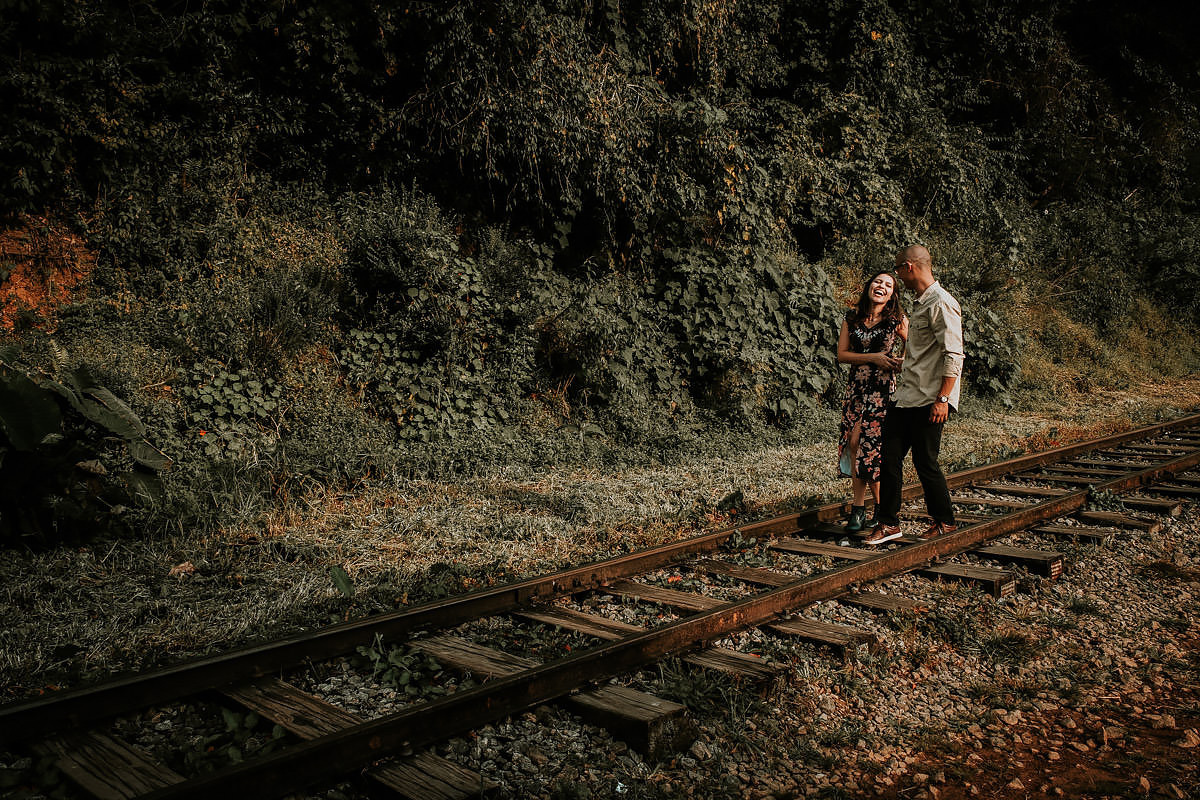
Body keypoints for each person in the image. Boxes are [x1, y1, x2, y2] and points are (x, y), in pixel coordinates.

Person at [864, 244, 964, 546]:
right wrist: (903, 363)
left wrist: (943, 399)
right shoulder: (921, 302)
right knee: (889, 458)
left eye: (897, 269)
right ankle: (889, 523)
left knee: (925, 461)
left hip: (931, 399)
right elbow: (925, 354)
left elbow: (953, 355)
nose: (897, 276)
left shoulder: (941, 303)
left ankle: (944, 521)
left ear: (909, 267)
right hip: (906, 396)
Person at [836, 271, 908, 532]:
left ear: (892, 295)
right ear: (869, 287)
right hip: (856, 391)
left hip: (882, 392)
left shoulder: (896, 320)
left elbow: (916, 348)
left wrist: (902, 363)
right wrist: (872, 357)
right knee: (854, 444)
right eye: (878, 282)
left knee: (871, 449)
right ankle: (862, 507)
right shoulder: (852, 318)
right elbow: (842, 355)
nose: (882, 286)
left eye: (888, 285)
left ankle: (873, 508)